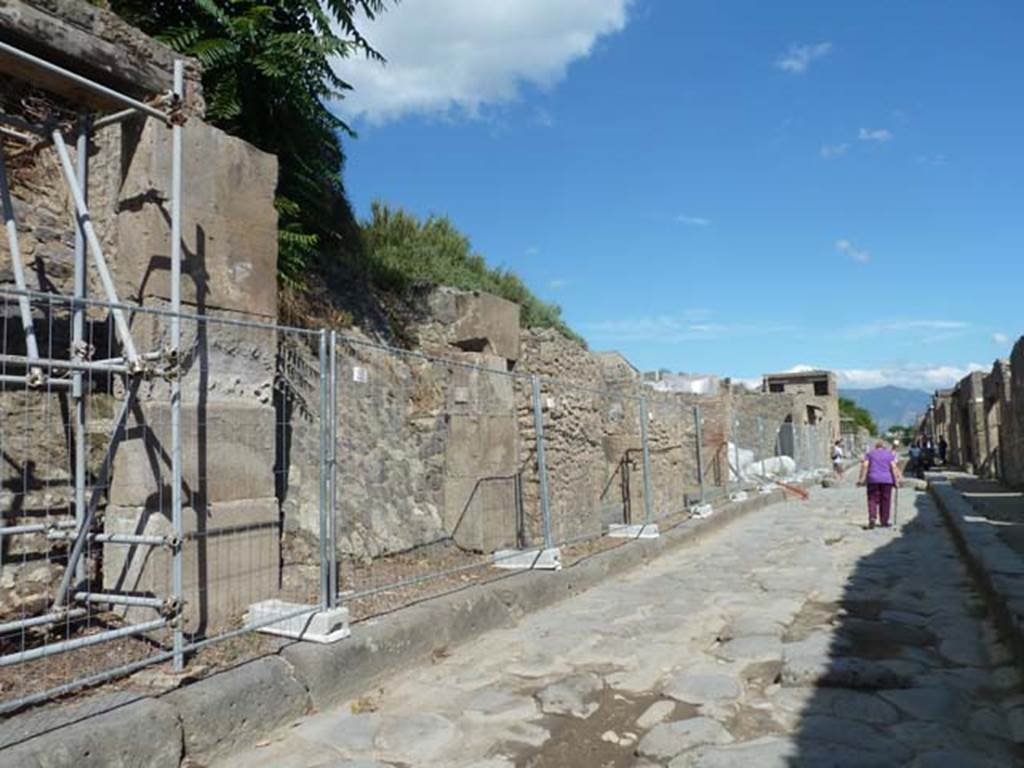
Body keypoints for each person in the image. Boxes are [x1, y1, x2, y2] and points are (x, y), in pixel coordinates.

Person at [858, 440, 902, 529]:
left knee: (872, 499)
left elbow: (865, 465)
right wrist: (896, 480)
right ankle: (884, 521)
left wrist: (861, 479)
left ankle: (872, 517)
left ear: (876, 447)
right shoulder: (889, 455)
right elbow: (893, 467)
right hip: (887, 480)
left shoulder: (870, 454)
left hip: (873, 479)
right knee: (886, 500)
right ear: (884, 447)